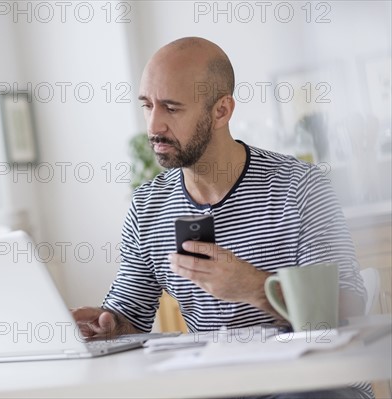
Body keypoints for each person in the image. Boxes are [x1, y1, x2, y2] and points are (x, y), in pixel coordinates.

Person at [72, 37, 372, 399]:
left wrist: (258, 290)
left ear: (221, 111)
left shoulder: (300, 188)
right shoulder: (149, 206)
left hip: (314, 385)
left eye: (172, 108)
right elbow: (130, 313)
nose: (154, 126)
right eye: (148, 105)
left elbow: (346, 313)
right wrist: (110, 326)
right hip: (222, 386)